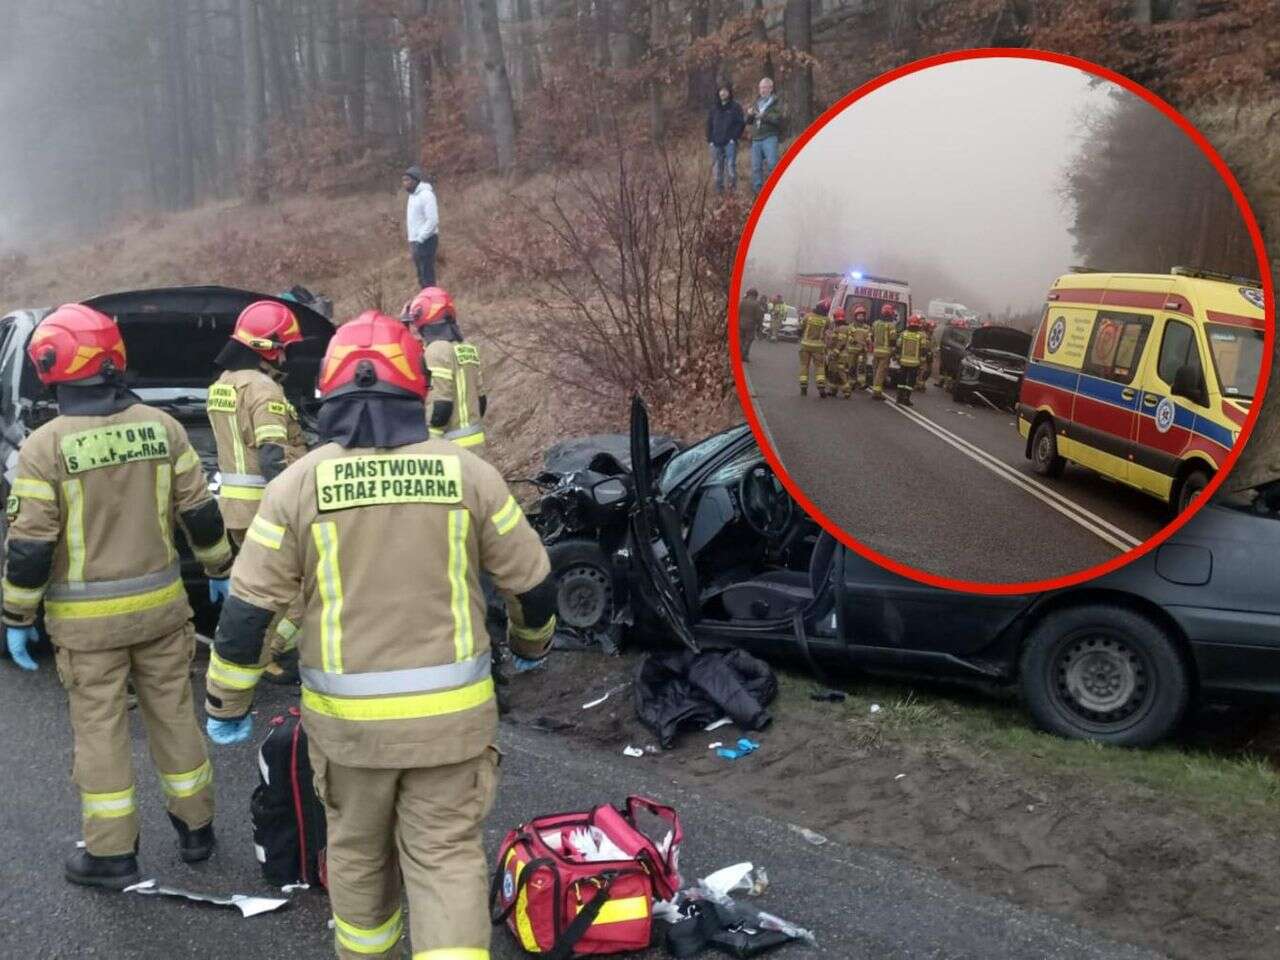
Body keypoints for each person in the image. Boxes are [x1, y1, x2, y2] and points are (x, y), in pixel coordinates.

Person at [204, 311, 556, 960]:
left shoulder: (296, 487)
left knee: (359, 858)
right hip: (451, 730)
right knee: (446, 862)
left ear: (330, 390)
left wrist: (226, 703)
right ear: (417, 387)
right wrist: (533, 648)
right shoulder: (468, 475)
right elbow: (532, 583)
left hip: (348, 736)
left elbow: (249, 613)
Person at [3, 304, 233, 888]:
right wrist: (218, 570)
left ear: (53, 367)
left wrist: (16, 614)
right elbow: (200, 514)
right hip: (162, 611)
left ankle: (111, 854)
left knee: (100, 730)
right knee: (175, 717)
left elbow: (30, 547)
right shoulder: (164, 428)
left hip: (87, 629)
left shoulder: (44, 446)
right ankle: (197, 829)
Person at [206, 300, 308, 687]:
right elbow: (271, 457)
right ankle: (267, 654)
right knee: (298, 594)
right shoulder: (264, 389)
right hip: (266, 509)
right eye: (283, 346)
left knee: (256, 590)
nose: (285, 355)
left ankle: (245, 651)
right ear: (267, 347)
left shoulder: (222, 386)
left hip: (235, 508)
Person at [406, 286, 489, 460]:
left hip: (451, 447)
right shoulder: (467, 348)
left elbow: (440, 405)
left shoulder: (436, 350)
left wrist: (429, 442)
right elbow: (481, 400)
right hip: (476, 443)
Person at [746, 77, 786, 193]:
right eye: (761, 88)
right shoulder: (756, 103)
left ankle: (776, 191)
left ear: (771, 88)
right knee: (756, 168)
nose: (762, 90)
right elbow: (748, 122)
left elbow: (778, 120)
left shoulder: (776, 103)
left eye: (765, 87)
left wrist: (764, 116)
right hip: (756, 139)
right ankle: (758, 194)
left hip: (770, 137)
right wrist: (750, 115)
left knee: (773, 165)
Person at [403, 165, 438, 288]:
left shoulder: (426, 195)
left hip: (426, 240)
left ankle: (433, 301)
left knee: (427, 275)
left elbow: (432, 220)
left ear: (416, 180)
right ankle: (425, 301)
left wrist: (421, 239)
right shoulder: (412, 197)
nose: (405, 183)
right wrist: (412, 241)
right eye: (404, 180)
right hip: (415, 241)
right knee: (421, 277)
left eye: (407, 180)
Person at [707, 83, 745, 193]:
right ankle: (719, 192)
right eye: (721, 91)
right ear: (718, 93)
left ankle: (732, 191)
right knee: (717, 169)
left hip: (730, 143)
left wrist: (734, 138)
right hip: (715, 143)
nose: (723, 93)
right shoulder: (714, 108)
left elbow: (740, 124)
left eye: (725, 90)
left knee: (730, 167)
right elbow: (709, 124)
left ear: (729, 92)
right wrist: (710, 140)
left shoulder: (735, 107)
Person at [798, 299, 830, 397]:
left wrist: (800, 335)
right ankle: (821, 387)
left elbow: (800, 328)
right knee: (819, 367)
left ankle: (803, 387)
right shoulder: (826, 320)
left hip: (805, 345)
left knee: (804, 365)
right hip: (818, 347)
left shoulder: (808, 316)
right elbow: (826, 330)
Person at [895, 313, 926, 406]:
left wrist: (897, 356)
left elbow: (898, 345)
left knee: (902, 380)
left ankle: (899, 398)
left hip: (903, 361)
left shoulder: (903, 334)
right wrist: (922, 359)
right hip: (914, 363)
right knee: (911, 381)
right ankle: (906, 398)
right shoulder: (921, 336)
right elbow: (923, 348)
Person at [870, 303, 898, 402]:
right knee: (881, 373)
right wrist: (894, 352)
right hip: (885, 352)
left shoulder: (875, 323)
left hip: (876, 351)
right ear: (890, 314)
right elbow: (893, 340)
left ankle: (875, 389)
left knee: (875, 370)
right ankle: (877, 393)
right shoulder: (891, 325)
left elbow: (872, 336)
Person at [824, 308, 854, 399]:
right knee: (833, 372)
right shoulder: (842, 327)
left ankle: (847, 391)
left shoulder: (842, 328)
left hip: (840, 355)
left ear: (835, 317)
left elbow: (842, 342)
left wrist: (835, 352)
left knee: (841, 372)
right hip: (839, 354)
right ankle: (833, 390)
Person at [738, 288, 764, 362]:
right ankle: (744, 355)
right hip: (751, 326)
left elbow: (737, 313)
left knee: (741, 339)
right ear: (755, 295)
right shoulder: (756, 304)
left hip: (740, 324)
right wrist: (759, 327)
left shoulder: (742, 302)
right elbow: (758, 317)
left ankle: (739, 353)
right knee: (748, 340)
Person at [848, 305, 870, 391]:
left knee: (861, 367)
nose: (861, 317)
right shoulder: (852, 326)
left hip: (862, 351)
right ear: (856, 316)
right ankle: (851, 383)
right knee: (852, 367)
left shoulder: (867, 327)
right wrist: (853, 340)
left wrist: (868, 341)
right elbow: (849, 336)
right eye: (859, 315)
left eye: (862, 316)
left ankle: (862, 383)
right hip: (853, 350)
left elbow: (868, 336)